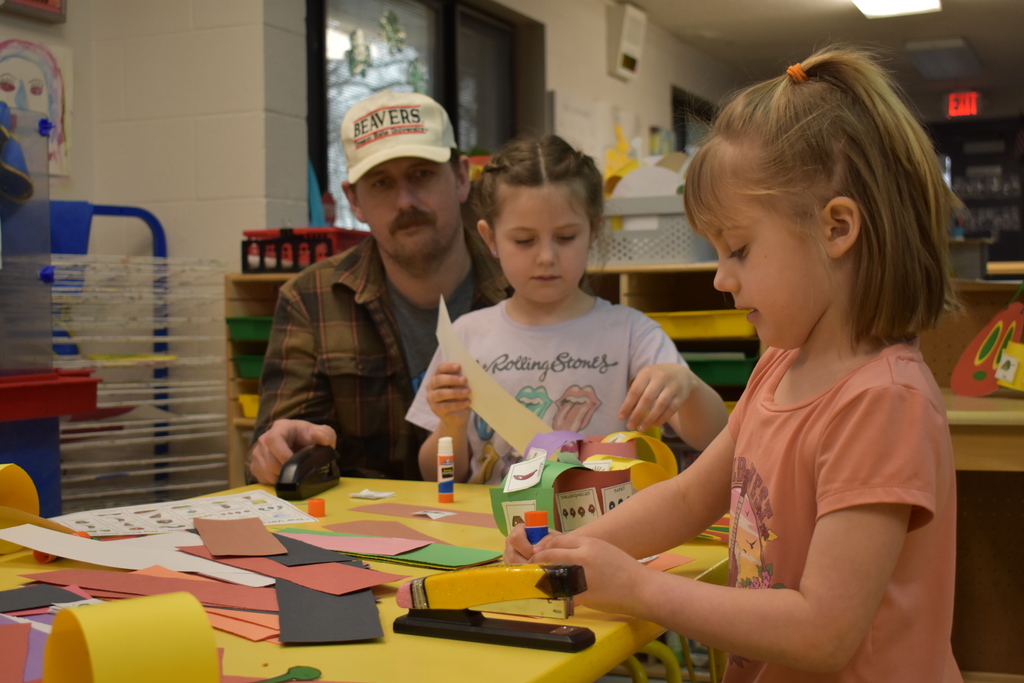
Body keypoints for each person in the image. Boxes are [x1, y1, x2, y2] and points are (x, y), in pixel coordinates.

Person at [504, 47, 963, 682]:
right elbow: (691, 495)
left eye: (740, 250)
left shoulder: (884, 401)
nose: (722, 278)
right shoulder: (779, 365)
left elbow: (825, 632)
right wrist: (571, 549)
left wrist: (638, 589)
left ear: (836, 229)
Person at [405, 135, 729, 485]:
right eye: (524, 241)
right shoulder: (465, 337)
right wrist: (451, 424)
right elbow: (432, 476)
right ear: (490, 238)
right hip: (487, 530)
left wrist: (687, 385)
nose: (546, 257)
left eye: (565, 237)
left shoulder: (633, 334)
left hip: (597, 530)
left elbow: (712, 435)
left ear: (594, 230)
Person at [246, 91, 510, 485]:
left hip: (509, 532)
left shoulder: (526, 286)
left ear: (460, 177)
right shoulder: (311, 300)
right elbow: (277, 462)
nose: (405, 201)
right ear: (354, 199)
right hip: (363, 537)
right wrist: (277, 454)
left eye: (422, 173)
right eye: (381, 183)